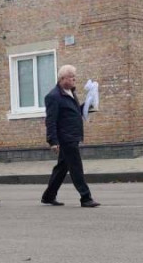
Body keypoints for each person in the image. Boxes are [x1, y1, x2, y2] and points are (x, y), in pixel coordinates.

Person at [41, 64, 100, 209]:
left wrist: (88, 106)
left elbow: (73, 112)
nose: (74, 79)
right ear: (62, 79)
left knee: (62, 168)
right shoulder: (53, 96)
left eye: (75, 76)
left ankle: (48, 196)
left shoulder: (71, 92)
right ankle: (85, 198)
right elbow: (51, 120)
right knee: (76, 167)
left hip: (73, 135)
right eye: (71, 77)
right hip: (65, 138)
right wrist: (53, 141)